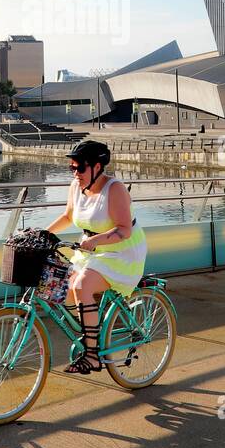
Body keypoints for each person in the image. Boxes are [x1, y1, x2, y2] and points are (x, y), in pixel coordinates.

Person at [45, 139, 147, 374]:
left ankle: (91, 356)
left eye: (80, 167)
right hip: (91, 249)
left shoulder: (115, 189)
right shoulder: (76, 186)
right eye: (72, 168)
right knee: (62, 287)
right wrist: (44, 233)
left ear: (97, 167)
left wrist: (95, 241)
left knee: (82, 286)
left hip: (121, 251)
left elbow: (124, 229)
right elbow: (68, 216)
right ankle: (91, 330)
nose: (75, 172)